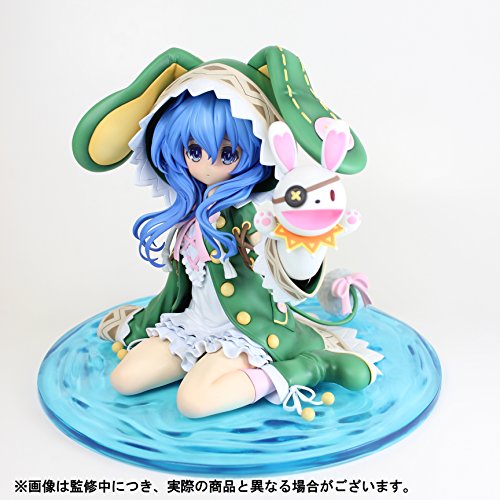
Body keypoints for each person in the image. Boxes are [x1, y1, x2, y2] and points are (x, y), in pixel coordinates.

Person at [98, 88, 375, 419]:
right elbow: (181, 286)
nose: (207, 164)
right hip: (193, 324)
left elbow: (284, 267)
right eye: (194, 151)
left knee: (194, 401)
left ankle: (310, 367)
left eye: (227, 153)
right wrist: (139, 323)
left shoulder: (249, 213)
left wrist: (301, 235)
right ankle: (203, 362)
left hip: (243, 329)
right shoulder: (190, 213)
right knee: (124, 379)